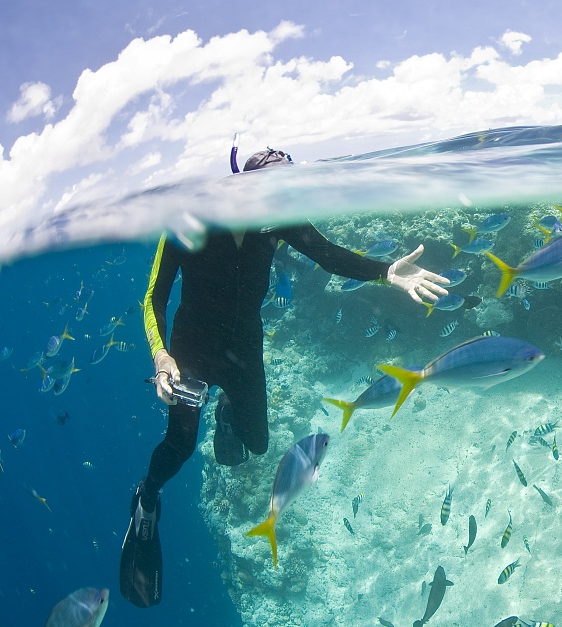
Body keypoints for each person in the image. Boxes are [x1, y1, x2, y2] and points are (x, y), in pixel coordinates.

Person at [120, 148, 449, 608]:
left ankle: (228, 411)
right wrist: (161, 357)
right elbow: (155, 296)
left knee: (255, 444)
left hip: (243, 345)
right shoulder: (188, 220)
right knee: (180, 444)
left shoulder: (280, 221)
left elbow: (328, 255)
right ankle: (147, 497)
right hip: (189, 350)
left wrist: (383, 271)